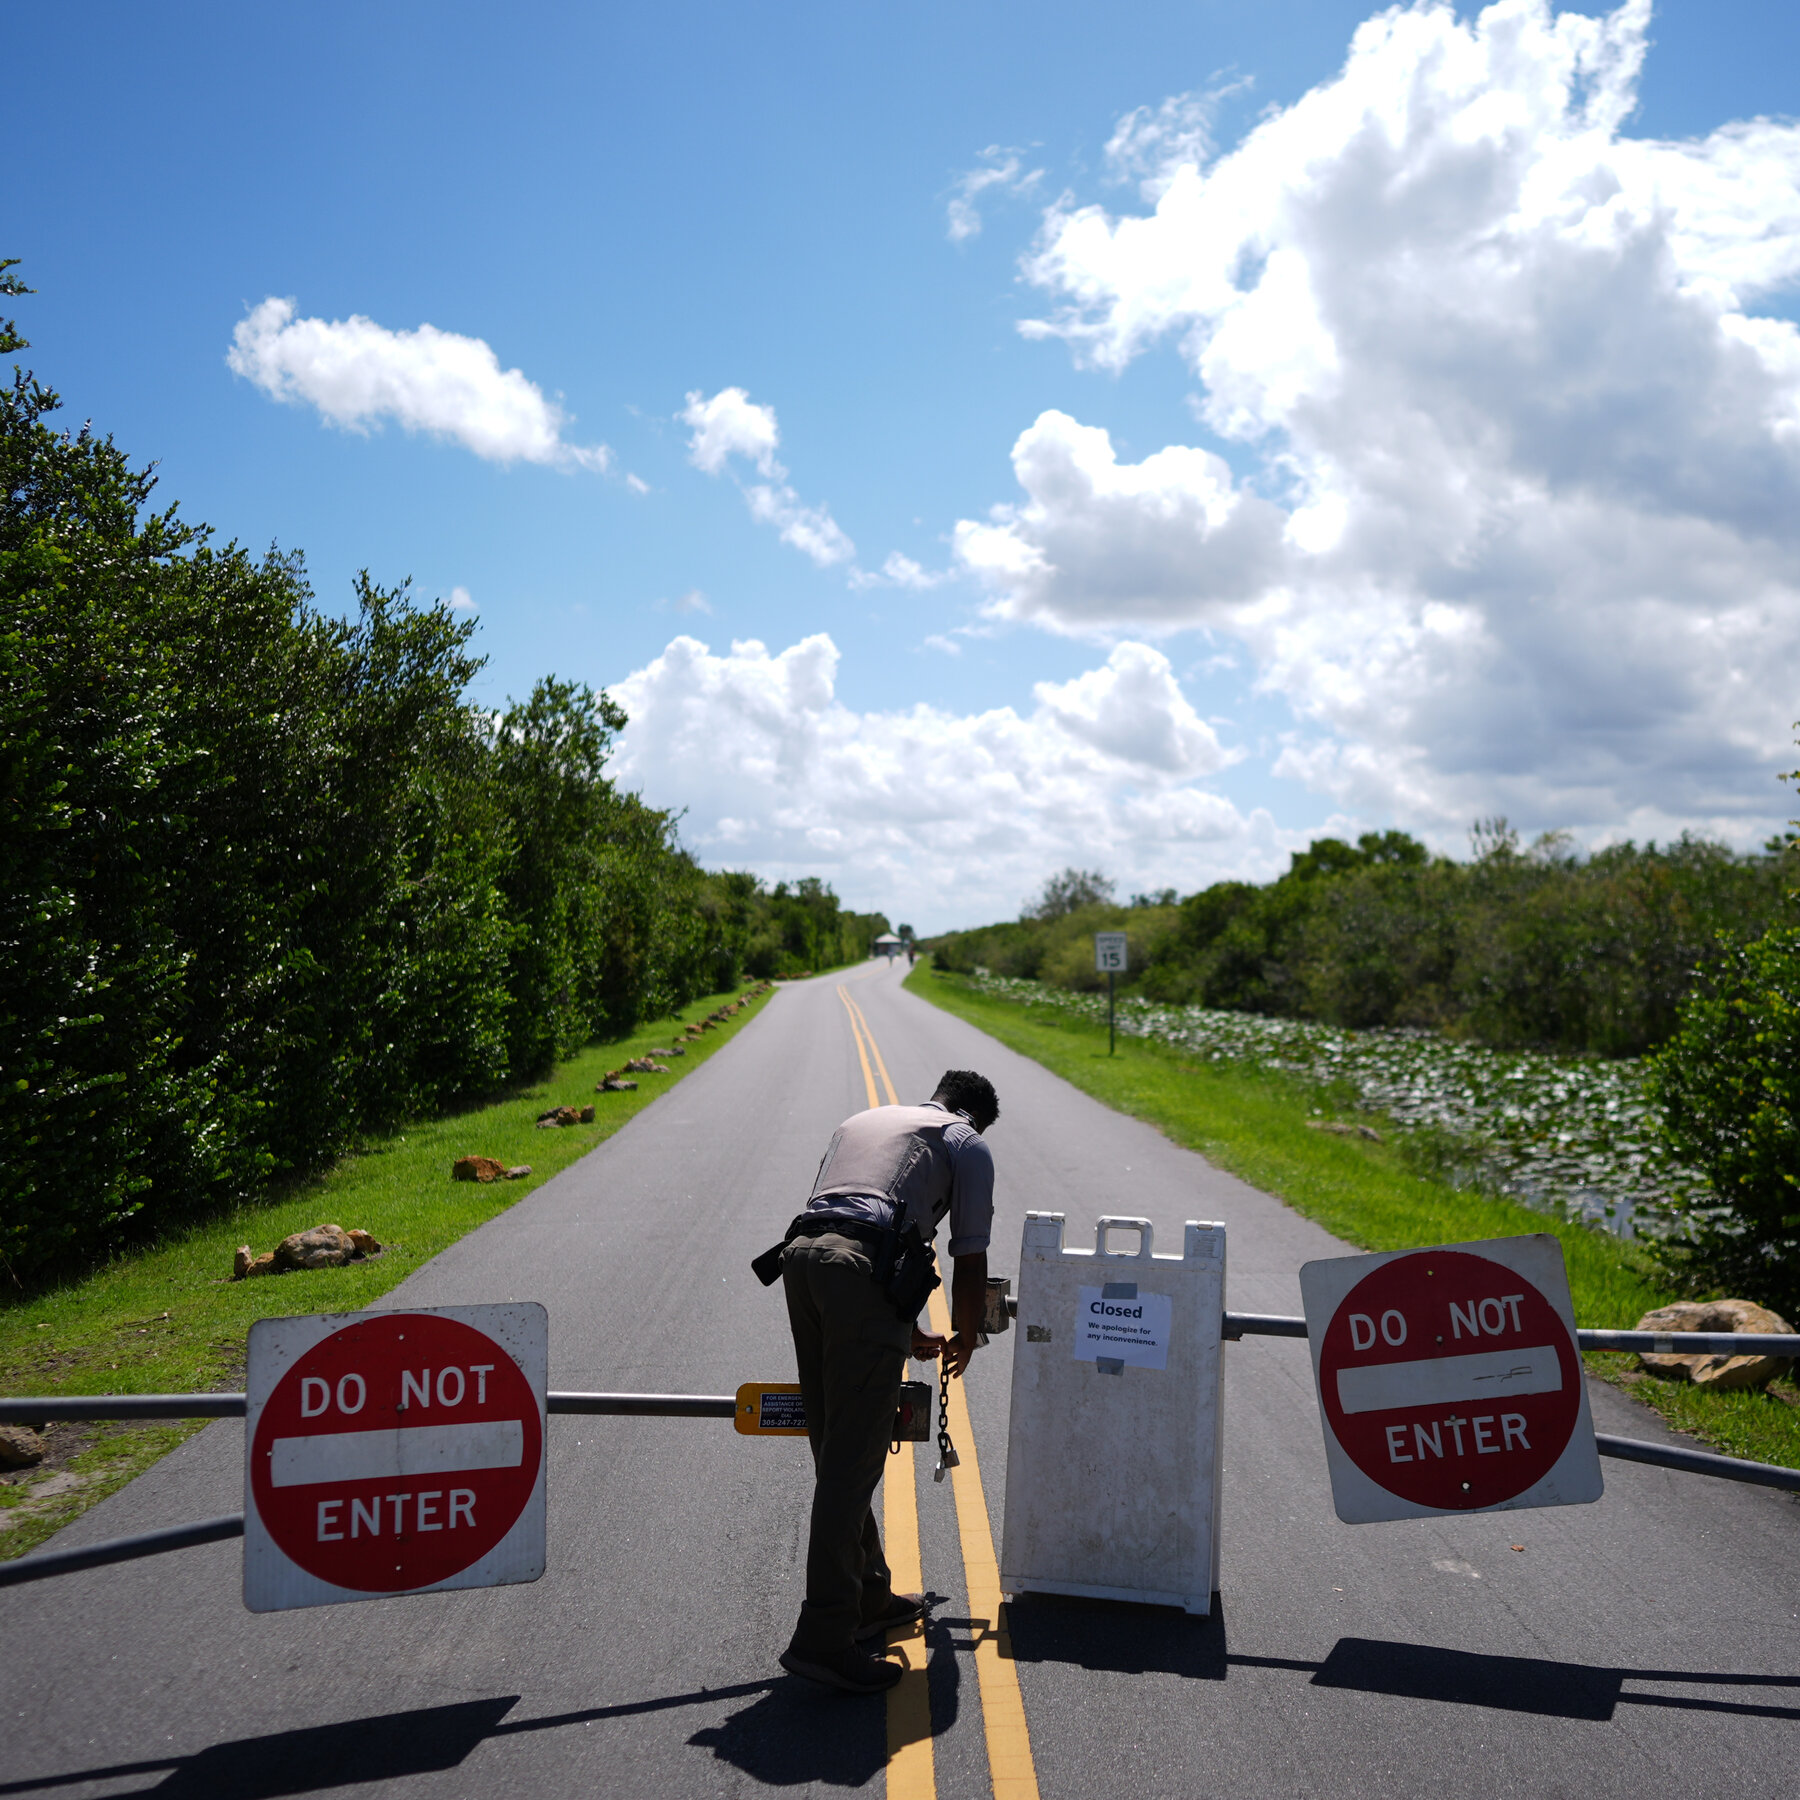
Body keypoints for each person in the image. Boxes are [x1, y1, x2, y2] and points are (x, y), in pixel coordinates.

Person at [773, 1068, 999, 1693]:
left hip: (803, 1262)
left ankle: (869, 1595)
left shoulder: (863, 1121)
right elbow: (969, 1256)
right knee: (852, 1462)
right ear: (976, 1116)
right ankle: (824, 1637)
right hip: (860, 1276)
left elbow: (855, 1224)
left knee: (834, 1445)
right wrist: (965, 1334)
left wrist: (906, 1328)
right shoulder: (965, 1141)